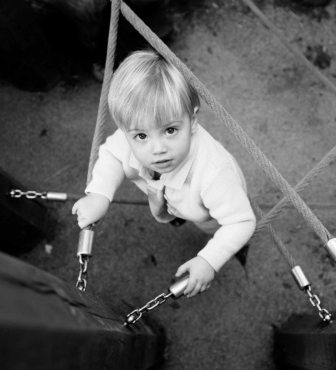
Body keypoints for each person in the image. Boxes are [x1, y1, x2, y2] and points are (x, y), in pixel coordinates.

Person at [73, 49, 256, 298]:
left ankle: (233, 247)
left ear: (192, 121)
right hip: (173, 199)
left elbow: (241, 221)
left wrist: (210, 259)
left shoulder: (213, 175)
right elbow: (112, 155)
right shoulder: (132, 136)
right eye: (141, 136)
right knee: (178, 208)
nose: (158, 149)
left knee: (216, 229)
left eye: (170, 130)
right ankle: (176, 214)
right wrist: (99, 194)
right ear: (127, 132)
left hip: (211, 208)